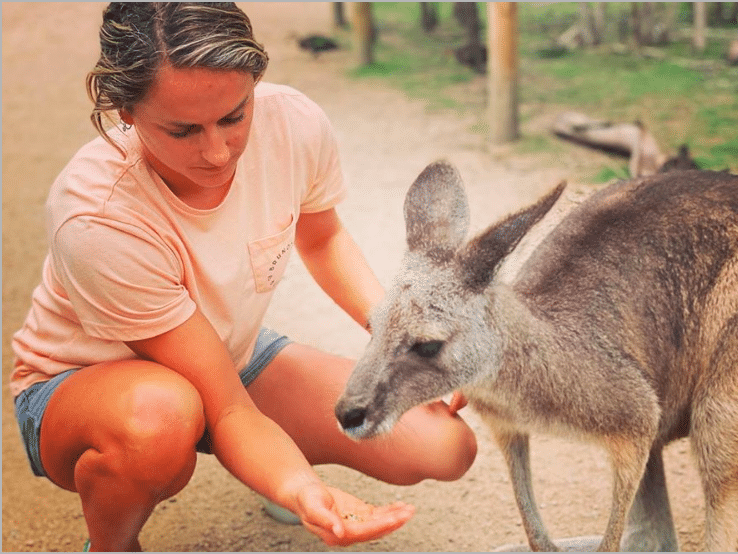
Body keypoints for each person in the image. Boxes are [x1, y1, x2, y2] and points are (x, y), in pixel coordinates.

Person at [10, 3, 477, 551]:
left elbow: (322, 239)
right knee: (161, 419)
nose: (217, 152)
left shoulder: (293, 121)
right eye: (182, 130)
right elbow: (226, 404)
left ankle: (271, 459)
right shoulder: (94, 218)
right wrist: (304, 489)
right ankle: (113, 546)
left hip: (230, 354)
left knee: (443, 445)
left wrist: (406, 344)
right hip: (86, 383)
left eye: (234, 116)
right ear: (126, 111)